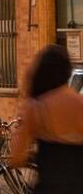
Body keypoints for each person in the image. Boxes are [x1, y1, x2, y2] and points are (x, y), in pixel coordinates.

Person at [9, 45, 83, 194]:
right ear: (67, 71)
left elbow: (16, 157)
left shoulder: (34, 107)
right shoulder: (79, 103)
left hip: (49, 187)